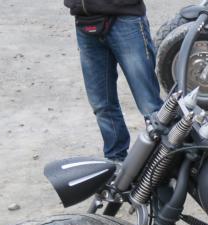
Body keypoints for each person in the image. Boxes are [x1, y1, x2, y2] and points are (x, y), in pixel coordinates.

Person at [64, 0, 164, 161]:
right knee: (102, 105)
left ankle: (166, 161)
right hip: (85, 20)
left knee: (150, 105)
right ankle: (116, 160)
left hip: (125, 19)